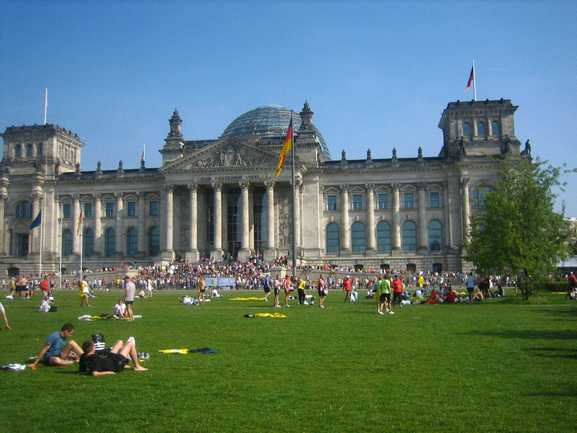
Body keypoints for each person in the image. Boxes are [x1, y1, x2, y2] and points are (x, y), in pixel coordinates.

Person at [79, 336, 148, 376]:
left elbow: (82, 371)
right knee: (130, 344)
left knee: (120, 342)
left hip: (110, 359)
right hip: (116, 364)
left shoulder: (83, 356)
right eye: (94, 346)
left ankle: (125, 361)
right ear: (93, 348)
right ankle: (137, 366)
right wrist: (109, 372)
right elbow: (95, 373)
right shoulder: (94, 358)